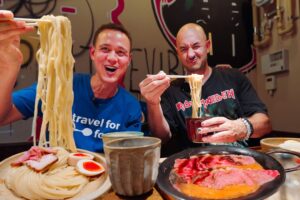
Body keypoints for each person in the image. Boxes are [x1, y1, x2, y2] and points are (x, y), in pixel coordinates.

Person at [0, 10, 141, 153]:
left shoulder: (130, 107)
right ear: (93, 53)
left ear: (128, 60)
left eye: (120, 52)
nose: (112, 58)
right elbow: (2, 117)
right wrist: (9, 68)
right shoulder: (58, 86)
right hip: (55, 171)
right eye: (105, 49)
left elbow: (129, 158)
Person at [139, 23, 271, 156]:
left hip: (236, 160)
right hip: (194, 165)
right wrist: (153, 102)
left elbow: (264, 123)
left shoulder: (233, 77)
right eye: (183, 49)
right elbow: (162, 137)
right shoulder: (171, 91)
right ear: (177, 53)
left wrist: (241, 127)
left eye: (196, 46)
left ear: (208, 46)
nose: (190, 54)